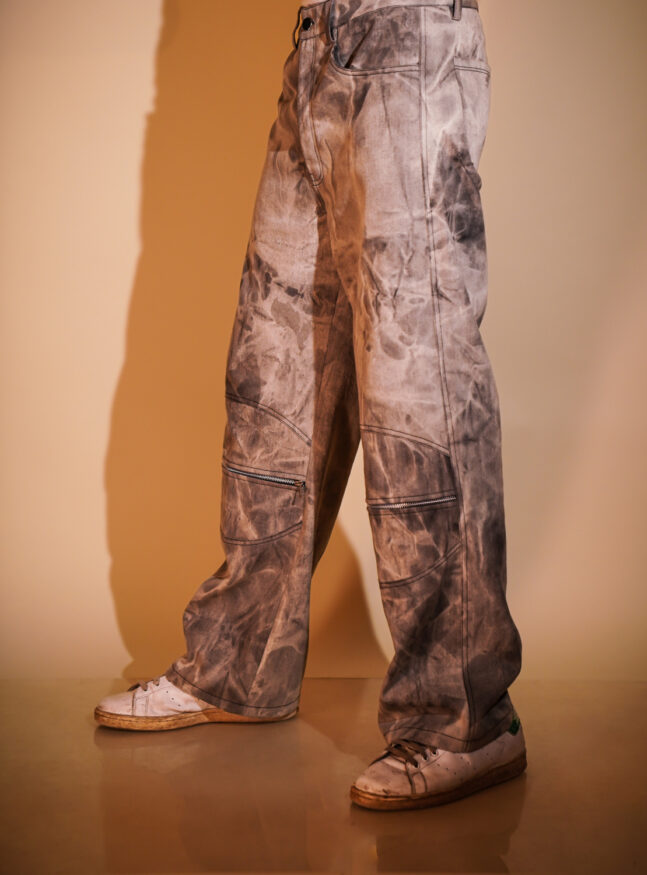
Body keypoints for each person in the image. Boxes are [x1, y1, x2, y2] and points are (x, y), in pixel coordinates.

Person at [94, 0, 527, 811]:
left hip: (408, 38)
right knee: (274, 376)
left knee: (418, 387)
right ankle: (242, 664)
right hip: (314, 49)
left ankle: (464, 719)